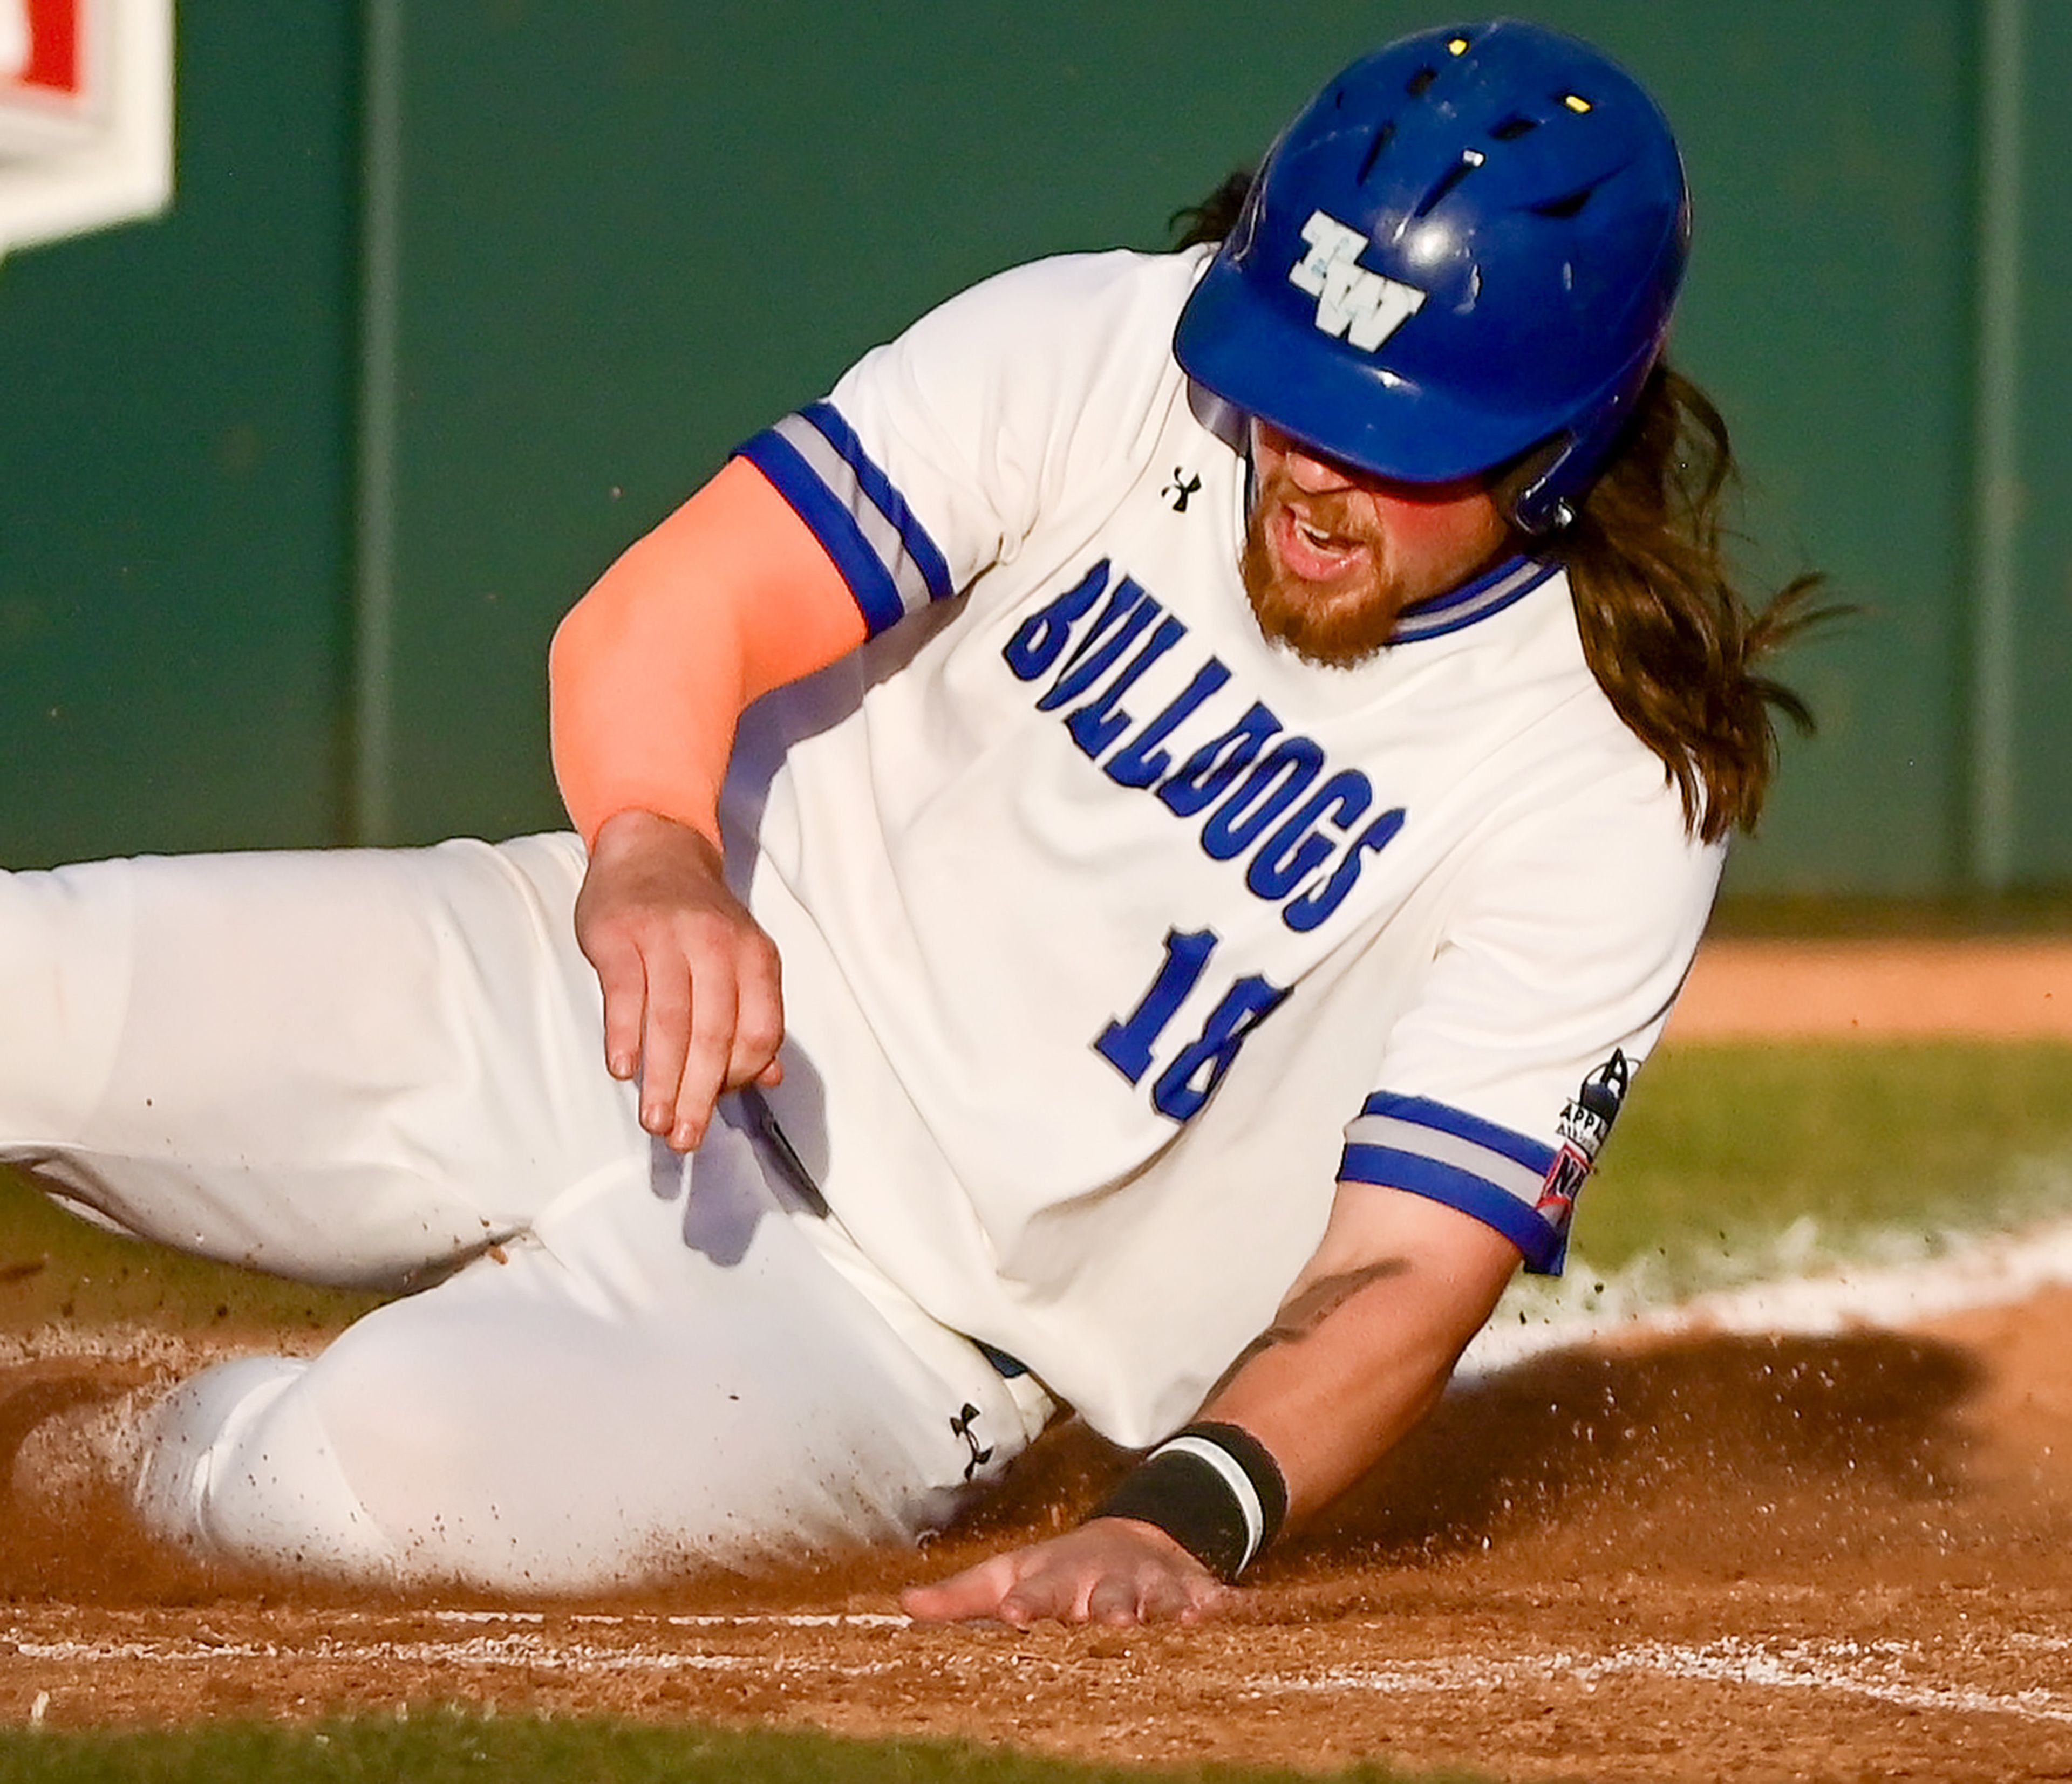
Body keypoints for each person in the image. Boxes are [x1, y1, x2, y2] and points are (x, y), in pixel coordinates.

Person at [0, 20, 1818, 1624]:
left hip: (875, 1335)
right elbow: (675, 609)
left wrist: (1186, 1512)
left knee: (357, 1480)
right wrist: (651, 849)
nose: (1309, 465)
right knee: (35, 984)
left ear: (1560, 447)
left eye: (1390, 429)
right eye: (1293, 387)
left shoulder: (1604, 778)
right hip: (597, 984)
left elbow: (1415, 1255)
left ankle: (80, 1470)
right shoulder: (1110, 353)